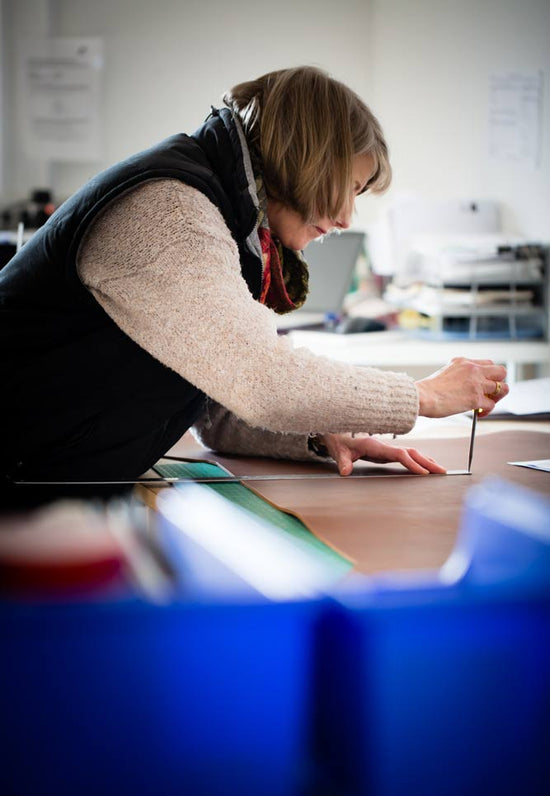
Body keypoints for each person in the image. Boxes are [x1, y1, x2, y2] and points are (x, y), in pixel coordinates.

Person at [0, 65, 508, 495]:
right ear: (309, 162)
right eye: (349, 187)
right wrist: (423, 396)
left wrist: (318, 434)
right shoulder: (170, 210)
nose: (348, 216)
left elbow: (214, 405)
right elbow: (262, 382)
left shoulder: (222, 211)